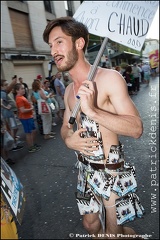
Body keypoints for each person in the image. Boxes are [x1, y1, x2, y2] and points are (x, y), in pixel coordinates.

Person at [43, 17, 145, 238]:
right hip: (85, 170)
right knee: (90, 226)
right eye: (51, 45)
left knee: (112, 234)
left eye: (59, 42)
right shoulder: (69, 91)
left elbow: (136, 128)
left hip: (111, 170)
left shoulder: (109, 79)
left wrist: (93, 112)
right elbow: (64, 128)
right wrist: (68, 140)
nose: (54, 51)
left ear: (79, 44)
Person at [14, 83, 41, 153]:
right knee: (28, 133)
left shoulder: (21, 97)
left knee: (33, 131)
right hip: (25, 118)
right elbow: (22, 110)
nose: (24, 90)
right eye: (22, 89)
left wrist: (29, 105)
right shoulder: (19, 99)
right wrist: (31, 108)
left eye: (24, 88)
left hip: (28, 117)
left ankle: (32, 144)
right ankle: (31, 147)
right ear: (17, 90)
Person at [1, 79, 24, 152]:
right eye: (5, 85)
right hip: (7, 114)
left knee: (13, 128)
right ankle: (13, 144)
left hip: (9, 113)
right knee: (13, 128)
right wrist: (7, 106)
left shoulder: (4, 92)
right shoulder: (2, 93)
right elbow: (2, 103)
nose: (7, 86)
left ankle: (13, 141)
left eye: (7, 84)